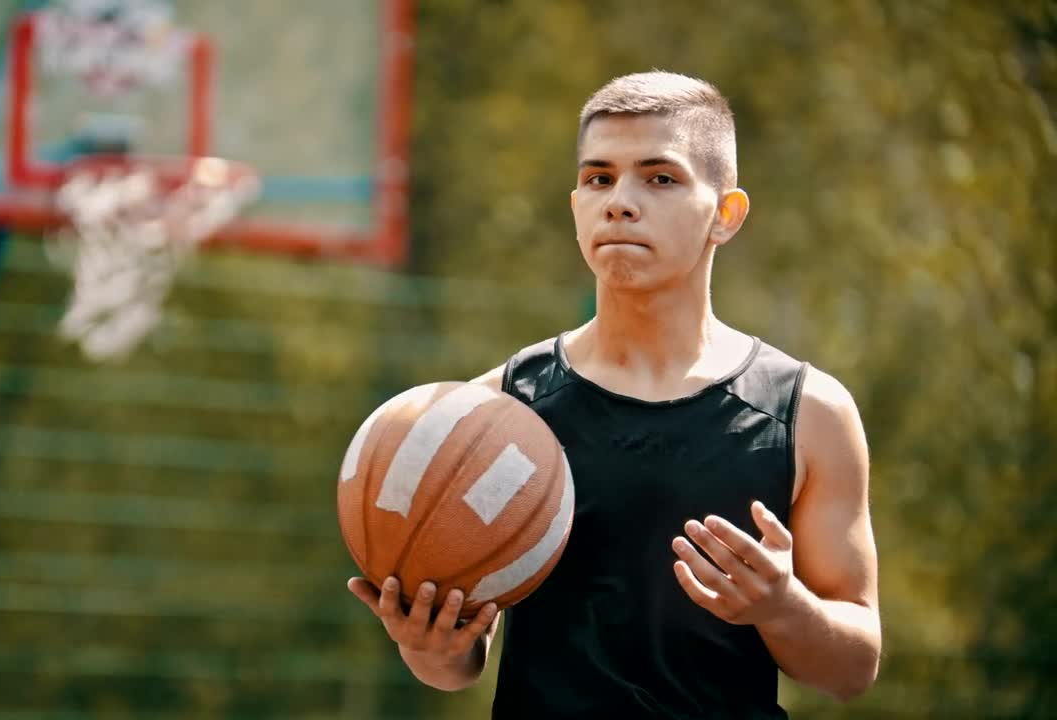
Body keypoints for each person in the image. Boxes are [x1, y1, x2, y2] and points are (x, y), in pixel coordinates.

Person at [347, 71, 881, 718]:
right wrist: (427, 644)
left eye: (661, 179)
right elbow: (460, 663)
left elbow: (854, 669)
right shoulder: (500, 410)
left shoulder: (807, 414)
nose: (620, 202)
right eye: (599, 178)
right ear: (576, 204)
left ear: (725, 214)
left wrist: (783, 607)